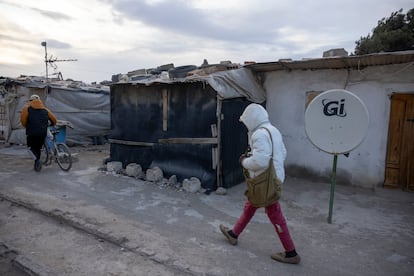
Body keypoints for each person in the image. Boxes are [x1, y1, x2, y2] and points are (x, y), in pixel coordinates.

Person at [219, 103, 301, 264]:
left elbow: (260, 161)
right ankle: (233, 234)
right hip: (273, 180)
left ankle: (291, 253)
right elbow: (282, 153)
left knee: (275, 215)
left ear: (252, 119)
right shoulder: (273, 131)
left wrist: (244, 162)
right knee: (250, 206)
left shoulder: (259, 135)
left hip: (264, 183)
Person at [20, 94, 57, 172]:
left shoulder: (26, 108)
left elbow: (23, 121)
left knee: (30, 148)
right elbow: (54, 120)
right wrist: (51, 124)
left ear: (30, 101)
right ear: (40, 101)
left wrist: (27, 126)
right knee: (38, 148)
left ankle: (37, 160)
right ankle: (37, 165)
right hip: (42, 133)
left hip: (31, 133)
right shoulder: (45, 110)